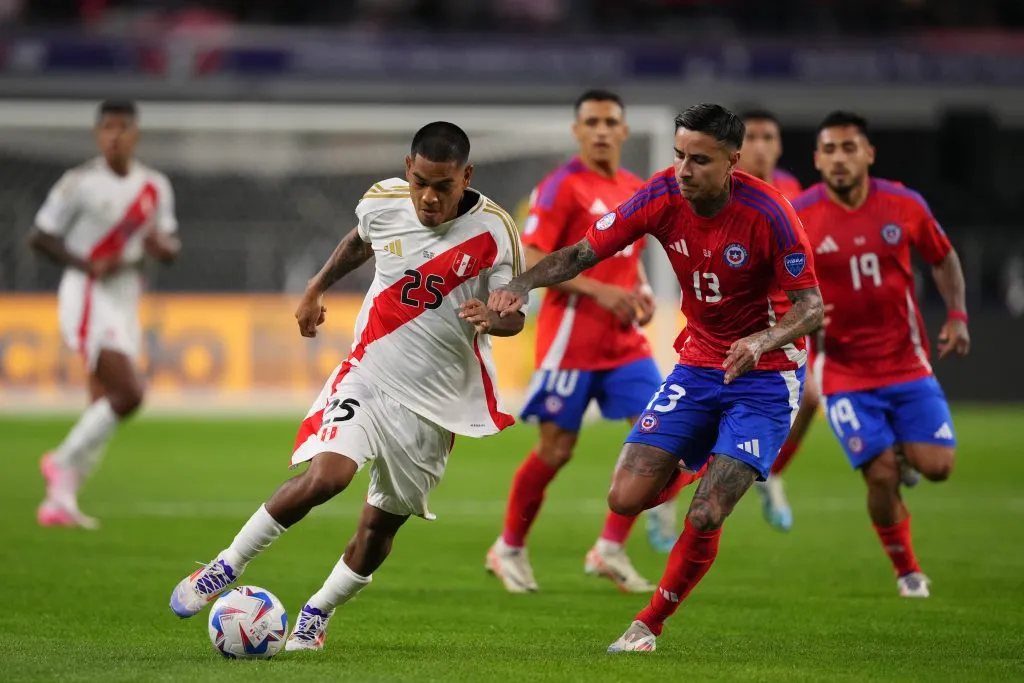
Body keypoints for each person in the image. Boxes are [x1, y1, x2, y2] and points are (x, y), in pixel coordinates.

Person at [169, 122, 527, 651]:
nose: (428, 197)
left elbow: (514, 316)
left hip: (437, 405)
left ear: (466, 176)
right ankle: (225, 567)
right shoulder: (383, 201)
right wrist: (316, 287)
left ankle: (317, 613)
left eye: (443, 186)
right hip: (371, 372)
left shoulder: (497, 232)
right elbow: (360, 242)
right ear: (408, 169)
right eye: (420, 182)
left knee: (379, 528)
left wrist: (493, 320)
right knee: (326, 477)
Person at [489, 103, 824, 652]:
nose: (685, 170)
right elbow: (579, 252)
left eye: (700, 160)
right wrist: (522, 285)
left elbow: (811, 307)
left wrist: (761, 341)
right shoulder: (662, 194)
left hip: (767, 376)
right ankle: (705, 464)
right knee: (624, 497)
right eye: (679, 156)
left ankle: (648, 623)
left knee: (709, 511)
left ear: (733, 162)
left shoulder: (771, 213)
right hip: (697, 364)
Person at [487, 90, 698, 596]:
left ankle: (608, 547)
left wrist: (641, 288)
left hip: (624, 344)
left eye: (610, 122)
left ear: (625, 131)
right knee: (556, 450)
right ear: (577, 131)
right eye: (592, 122)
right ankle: (509, 547)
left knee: (664, 440)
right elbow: (534, 255)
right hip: (570, 341)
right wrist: (602, 289)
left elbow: (631, 253)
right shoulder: (561, 187)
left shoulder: (632, 185)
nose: (602, 130)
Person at [793, 111, 969, 598]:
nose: (840, 159)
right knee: (882, 474)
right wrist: (800, 313)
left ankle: (900, 447)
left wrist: (957, 316)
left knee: (938, 468)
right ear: (817, 159)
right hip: (843, 370)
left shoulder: (902, 204)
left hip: (906, 362)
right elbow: (774, 280)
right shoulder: (799, 215)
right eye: (829, 150)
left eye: (849, 148)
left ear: (868, 153)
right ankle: (908, 570)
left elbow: (942, 256)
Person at [29, 100, 180, 529]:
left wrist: (164, 249)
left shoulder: (154, 186)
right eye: (107, 127)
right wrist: (82, 263)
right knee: (130, 393)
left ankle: (59, 502)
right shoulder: (78, 183)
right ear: (99, 135)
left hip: (127, 294)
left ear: (136, 134)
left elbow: (169, 243)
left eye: (123, 127)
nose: (115, 135)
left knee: (103, 404)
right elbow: (39, 236)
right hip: (88, 292)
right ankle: (60, 461)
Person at [737, 109, 819, 531]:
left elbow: (805, 258)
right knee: (708, 421)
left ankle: (772, 474)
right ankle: (662, 504)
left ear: (780, 144)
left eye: (769, 136)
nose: (761, 146)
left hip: (786, 319)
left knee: (809, 401)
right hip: (732, 320)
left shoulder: (793, 191)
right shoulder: (723, 187)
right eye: (751, 137)